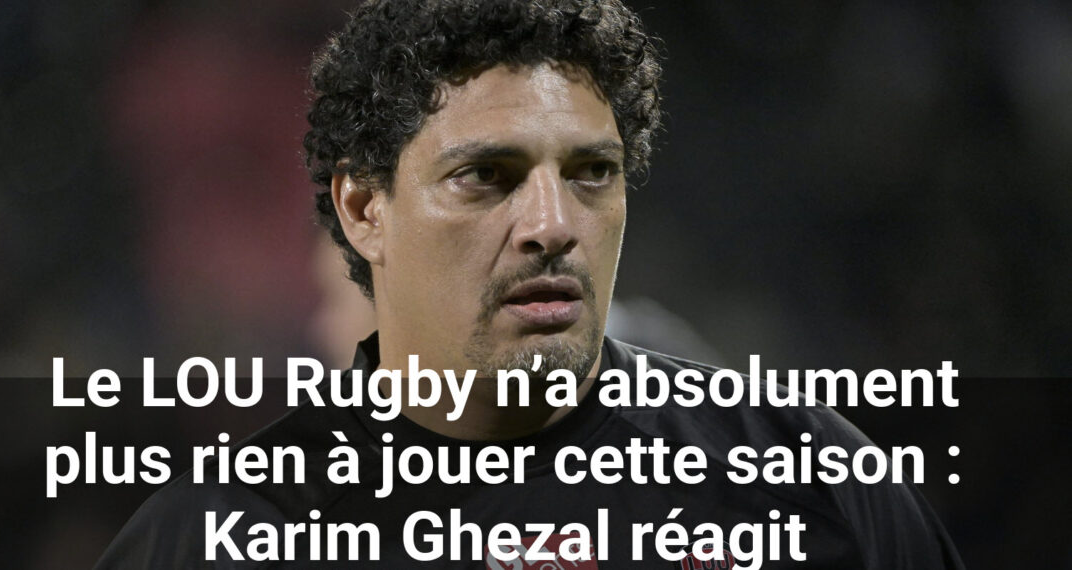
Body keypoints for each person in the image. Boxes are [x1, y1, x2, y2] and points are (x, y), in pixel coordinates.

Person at [97, 1, 965, 567]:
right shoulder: (219, 534)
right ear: (363, 210)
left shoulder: (805, 479)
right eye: (486, 176)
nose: (553, 224)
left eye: (592, 173)